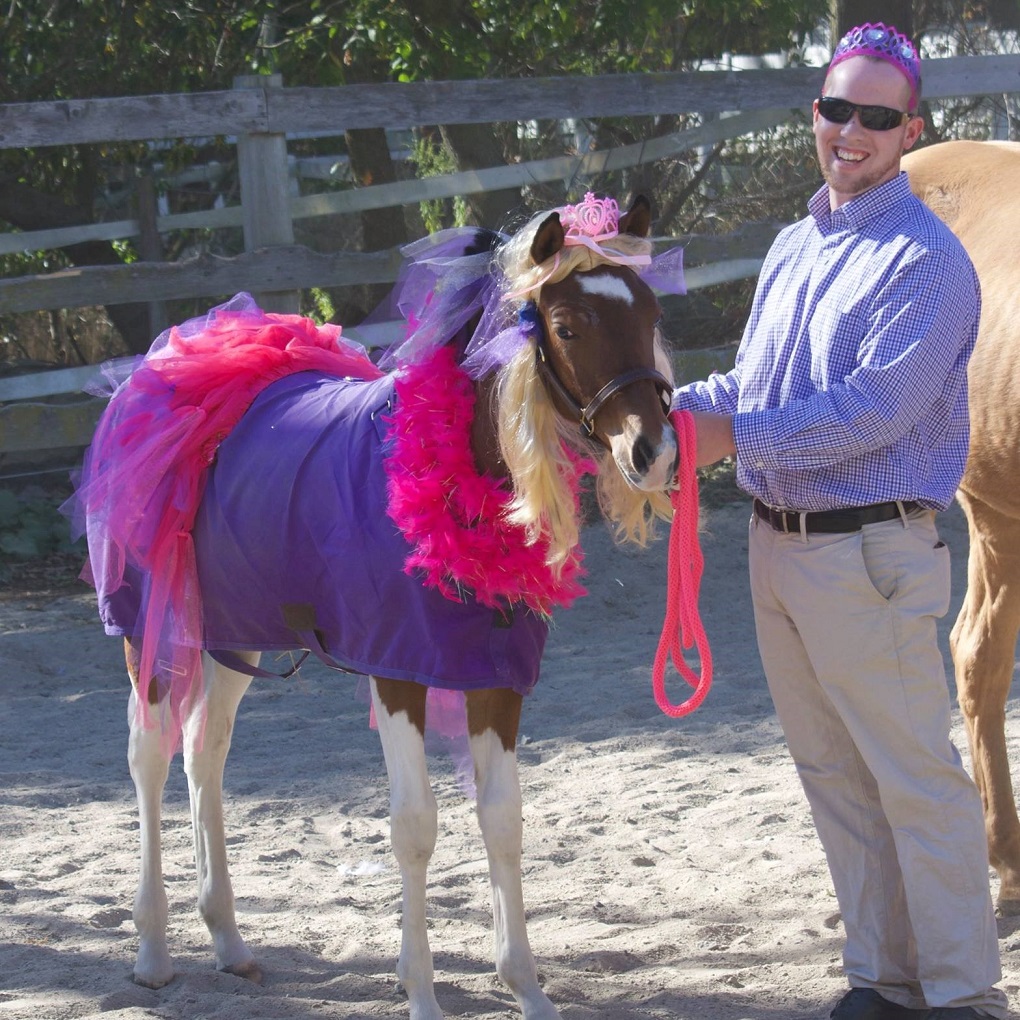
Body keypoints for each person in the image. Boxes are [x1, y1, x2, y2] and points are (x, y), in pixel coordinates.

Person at [671, 22, 1008, 1020]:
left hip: (869, 551)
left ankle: (962, 996)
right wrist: (668, 415)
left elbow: (874, 411)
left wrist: (728, 440)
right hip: (779, 546)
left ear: (911, 130)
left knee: (914, 780)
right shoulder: (793, 243)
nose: (850, 131)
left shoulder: (929, 263)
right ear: (813, 116)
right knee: (834, 776)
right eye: (835, 109)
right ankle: (883, 980)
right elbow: (756, 382)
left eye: (875, 115)